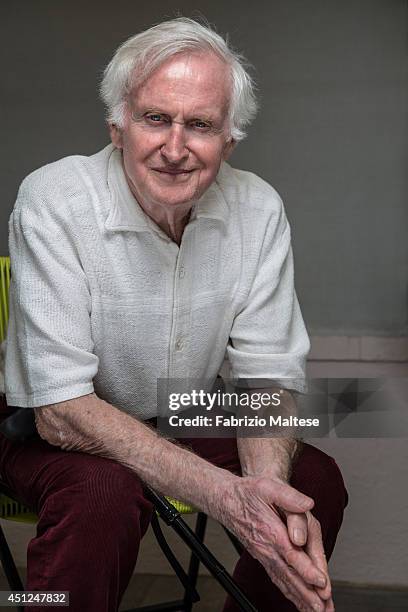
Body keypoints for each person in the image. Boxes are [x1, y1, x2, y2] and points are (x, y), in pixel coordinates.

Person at [2, 17, 347, 612]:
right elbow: (60, 410)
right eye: (155, 118)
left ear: (230, 140)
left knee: (310, 484)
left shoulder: (258, 208)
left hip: (184, 410)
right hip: (42, 424)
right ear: (117, 125)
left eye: (201, 125)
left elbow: (265, 382)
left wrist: (260, 488)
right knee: (102, 492)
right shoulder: (54, 198)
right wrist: (225, 494)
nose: (175, 147)